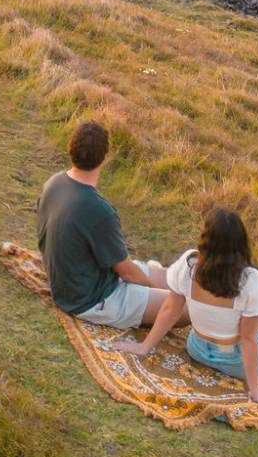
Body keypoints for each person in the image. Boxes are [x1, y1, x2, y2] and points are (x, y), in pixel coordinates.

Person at [110, 205, 258, 409]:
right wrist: (256, 391)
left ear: (205, 238)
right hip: (238, 364)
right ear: (241, 243)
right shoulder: (249, 279)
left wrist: (144, 346)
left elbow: (170, 311)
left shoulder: (189, 264)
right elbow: (248, 339)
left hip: (198, 350)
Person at [37, 120, 167, 330]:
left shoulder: (53, 183)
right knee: (183, 307)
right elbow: (127, 273)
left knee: (171, 277)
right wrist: (153, 292)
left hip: (72, 281)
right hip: (90, 299)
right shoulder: (98, 210)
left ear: (71, 149)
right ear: (104, 158)